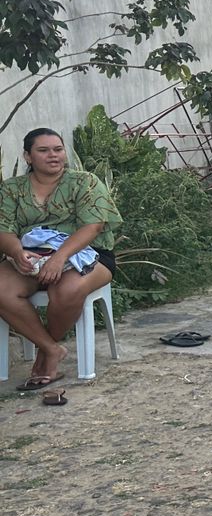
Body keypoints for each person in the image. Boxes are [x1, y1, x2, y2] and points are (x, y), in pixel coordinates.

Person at [0, 128, 121, 391]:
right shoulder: (11, 189)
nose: (53, 155)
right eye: (43, 150)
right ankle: (51, 349)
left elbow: (93, 226)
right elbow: (4, 229)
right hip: (33, 255)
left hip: (88, 254)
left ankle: (44, 357)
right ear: (28, 156)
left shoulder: (85, 182)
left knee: (67, 289)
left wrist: (60, 258)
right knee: (1, 288)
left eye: (58, 149)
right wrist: (17, 252)